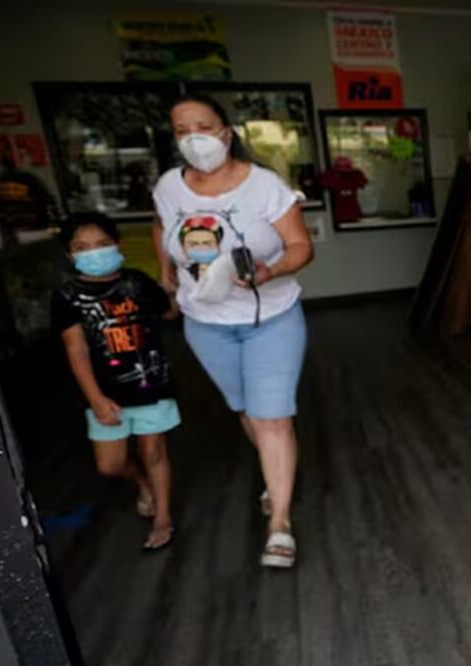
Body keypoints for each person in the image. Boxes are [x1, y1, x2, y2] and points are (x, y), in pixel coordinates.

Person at [151, 93, 314, 569]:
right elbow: (160, 225)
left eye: (204, 126)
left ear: (226, 132)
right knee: (247, 408)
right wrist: (165, 272)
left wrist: (268, 272)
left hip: (270, 317)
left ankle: (279, 523)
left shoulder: (262, 185)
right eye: (182, 130)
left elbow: (301, 246)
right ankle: (274, 472)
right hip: (207, 324)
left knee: (272, 417)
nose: (194, 138)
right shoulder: (167, 186)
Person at [51, 214, 178, 550]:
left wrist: (176, 288)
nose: (93, 252)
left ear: (117, 245)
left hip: (150, 384)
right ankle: (142, 483)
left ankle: (163, 516)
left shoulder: (137, 282)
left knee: (154, 452)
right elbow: (75, 349)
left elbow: (169, 312)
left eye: (102, 244)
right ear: (70, 254)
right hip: (105, 393)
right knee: (111, 465)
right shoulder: (67, 296)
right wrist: (95, 399)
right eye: (82, 247)